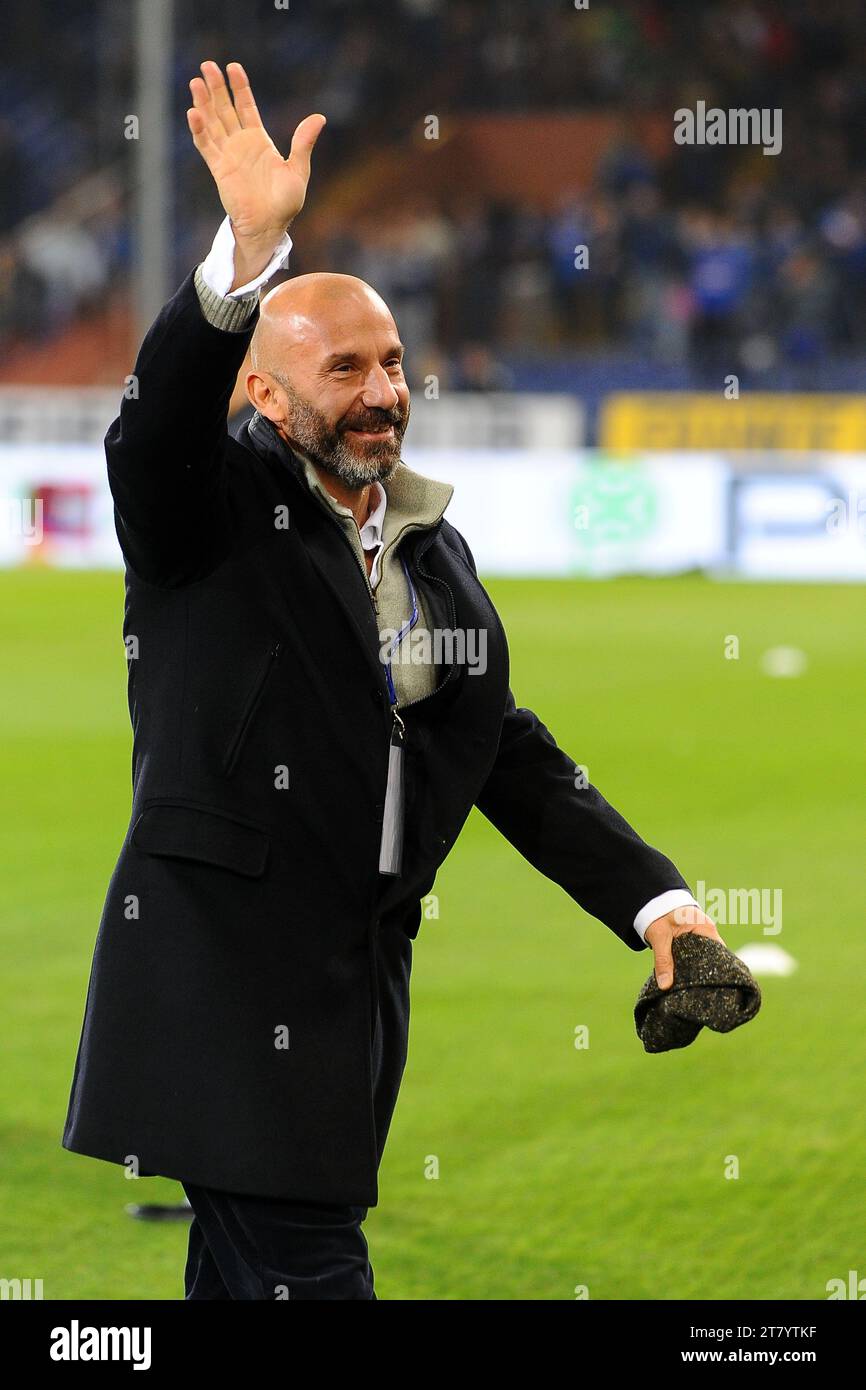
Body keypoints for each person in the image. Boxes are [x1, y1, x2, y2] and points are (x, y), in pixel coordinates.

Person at [62, 61, 721, 1300]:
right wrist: (242, 258)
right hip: (224, 986)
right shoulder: (208, 513)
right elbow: (149, 437)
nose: (383, 394)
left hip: (354, 996)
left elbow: (507, 753)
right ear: (263, 391)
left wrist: (658, 907)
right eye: (345, 372)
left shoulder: (431, 546)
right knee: (311, 1275)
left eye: (392, 362)